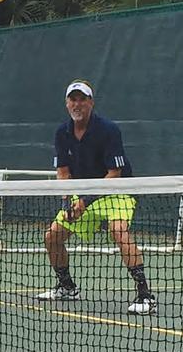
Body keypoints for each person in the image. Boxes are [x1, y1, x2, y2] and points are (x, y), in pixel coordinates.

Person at [35, 80, 156, 315]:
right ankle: (67, 287)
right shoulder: (62, 133)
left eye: (82, 99)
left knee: (118, 230)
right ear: (66, 103)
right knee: (52, 237)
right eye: (73, 99)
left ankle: (145, 296)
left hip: (116, 190)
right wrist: (67, 202)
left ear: (91, 102)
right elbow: (63, 173)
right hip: (84, 193)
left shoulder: (109, 130)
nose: (77, 104)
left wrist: (84, 201)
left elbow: (114, 174)